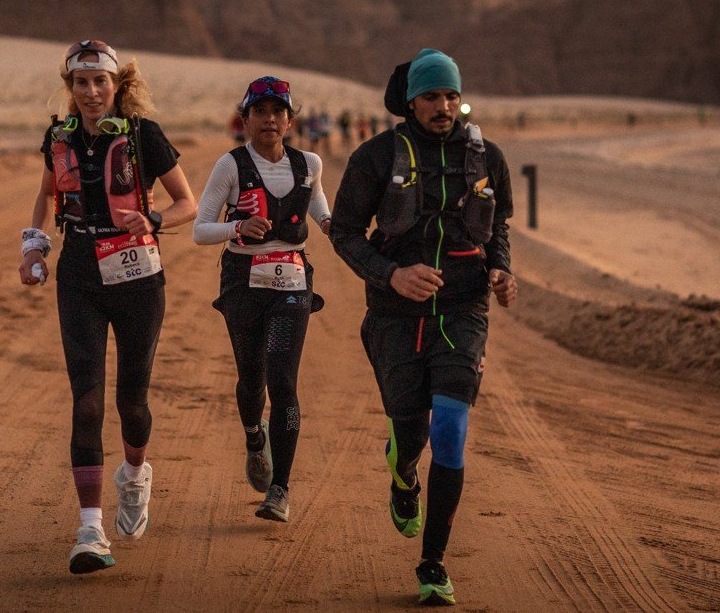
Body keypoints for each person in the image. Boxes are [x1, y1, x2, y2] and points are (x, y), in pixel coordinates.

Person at [329, 49, 518, 606]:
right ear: (410, 100)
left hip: (463, 311)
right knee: (411, 433)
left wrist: (502, 270)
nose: (445, 107)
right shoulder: (375, 156)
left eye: (452, 96)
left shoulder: (487, 157)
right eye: (433, 96)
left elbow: (498, 225)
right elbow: (343, 233)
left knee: (452, 429)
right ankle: (403, 469)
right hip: (395, 317)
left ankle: (432, 564)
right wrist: (392, 274)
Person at [19, 39, 197, 574]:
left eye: (101, 82)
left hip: (139, 276)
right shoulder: (59, 136)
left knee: (132, 399)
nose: (92, 93)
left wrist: (156, 220)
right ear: (70, 88)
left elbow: (187, 201)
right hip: (79, 273)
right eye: (81, 83)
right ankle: (90, 529)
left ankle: (136, 474)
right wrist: (34, 246)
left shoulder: (145, 137)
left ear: (118, 85)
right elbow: (48, 194)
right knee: (87, 401)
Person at [193, 76, 331, 523]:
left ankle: (280, 490)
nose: (269, 120)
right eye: (259, 112)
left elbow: (321, 210)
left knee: (283, 382)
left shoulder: (308, 163)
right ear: (245, 118)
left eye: (278, 112)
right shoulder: (230, 166)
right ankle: (255, 435)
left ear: (290, 120)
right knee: (252, 380)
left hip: (292, 283)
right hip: (242, 281)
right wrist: (236, 228)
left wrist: (335, 226)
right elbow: (199, 230)